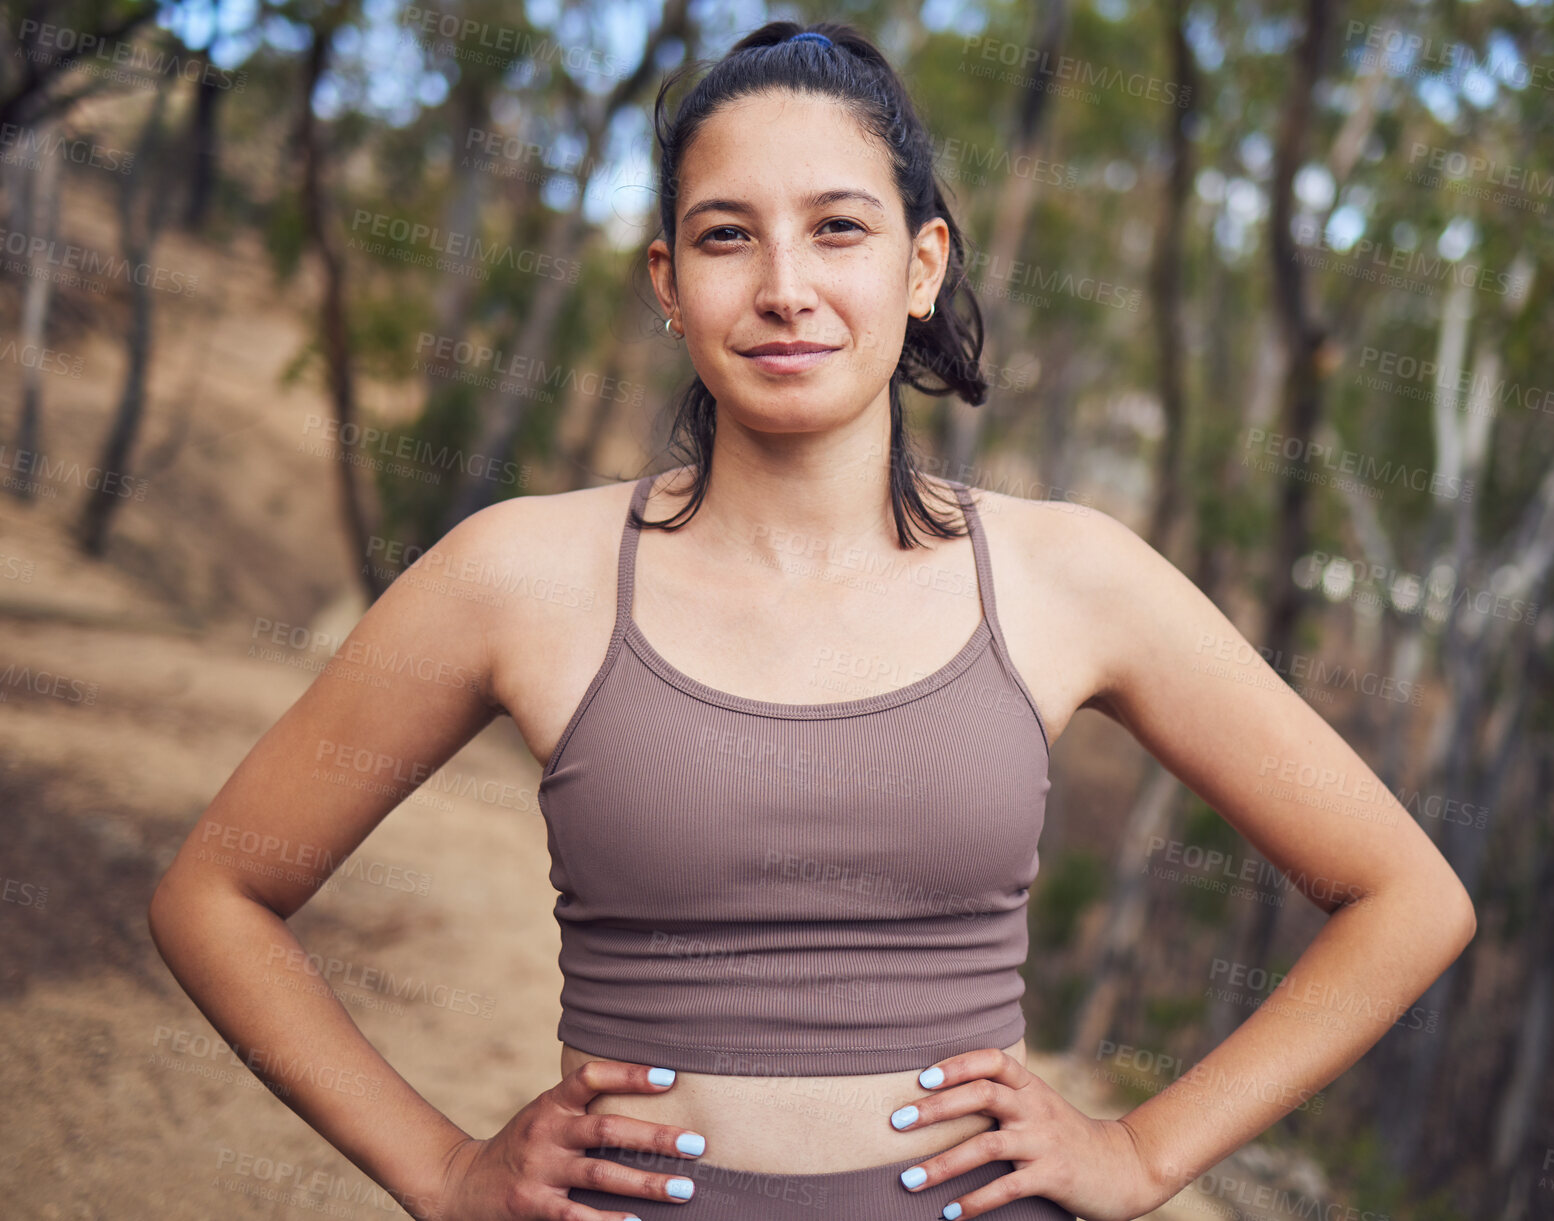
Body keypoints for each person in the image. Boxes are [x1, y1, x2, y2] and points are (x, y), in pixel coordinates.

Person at [147, 18, 1478, 1221]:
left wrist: (1138, 1151)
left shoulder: (1071, 577)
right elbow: (217, 892)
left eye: (839, 228)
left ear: (921, 262)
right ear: (669, 284)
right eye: (729, 236)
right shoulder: (520, 572)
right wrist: (440, 1167)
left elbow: (1406, 897)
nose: (786, 286)